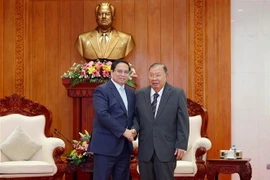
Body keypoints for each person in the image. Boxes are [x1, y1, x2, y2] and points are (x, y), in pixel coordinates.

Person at [132, 63, 190, 180]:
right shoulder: (140, 94)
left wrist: (181, 145)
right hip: (145, 149)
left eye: (158, 75)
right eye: (151, 75)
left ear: (166, 75)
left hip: (167, 149)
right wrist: (133, 130)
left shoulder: (177, 94)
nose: (154, 79)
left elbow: (183, 121)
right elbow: (136, 117)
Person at [88, 59, 136, 180]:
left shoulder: (131, 92)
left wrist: (134, 130)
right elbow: (102, 114)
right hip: (105, 146)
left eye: (126, 72)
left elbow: (134, 115)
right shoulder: (102, 90)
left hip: (124, 148)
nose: (123, 74)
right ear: (112, 72)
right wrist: (124, 131)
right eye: (119, 71)